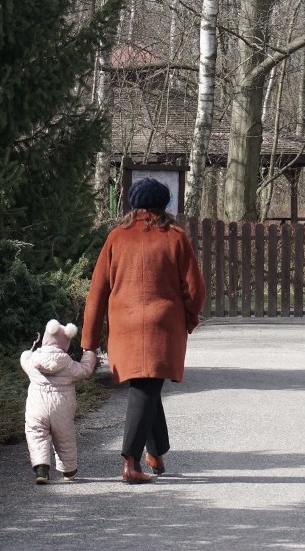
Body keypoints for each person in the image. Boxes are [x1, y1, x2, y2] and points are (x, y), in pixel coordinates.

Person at [82, 177, 206, 484]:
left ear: (133, 205)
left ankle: (156, 451)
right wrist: (187, 319)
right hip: (162, 326)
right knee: (146, 387)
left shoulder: (116, 238)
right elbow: (196, 289)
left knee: (146, 385)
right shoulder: (175, 237)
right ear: (164, 205)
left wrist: (90, 342)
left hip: (124, 327)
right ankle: (131, 462)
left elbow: (97, 293)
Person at [21, 320, 97, 484]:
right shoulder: (68, 365)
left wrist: (28, 351)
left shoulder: (33, 360)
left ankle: (41, 469)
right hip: (61, 408)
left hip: (37, 407)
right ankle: (69, 470)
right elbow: (85, 370)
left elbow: (24, 358)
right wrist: (89, 353)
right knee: (65, 438)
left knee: (36, 435)